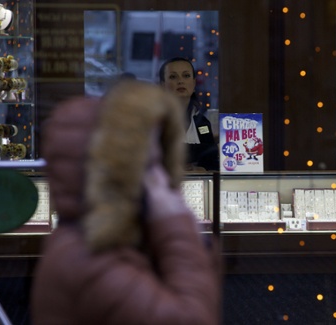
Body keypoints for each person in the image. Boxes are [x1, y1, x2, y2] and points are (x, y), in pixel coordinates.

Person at [31, 80, 221, 324]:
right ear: (114, 173)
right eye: (150, 167)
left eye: (161, 163)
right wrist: (176, 226)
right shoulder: (92, 260)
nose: (160, 180)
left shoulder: (108, 242)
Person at [159, 57, 219, 171]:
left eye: (186, 76)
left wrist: (199, 168)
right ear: (163, 85)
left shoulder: (202, 122)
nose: (180, 81)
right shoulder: (154, 119)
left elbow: (211, 161)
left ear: (194, 82)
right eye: (173, 77)